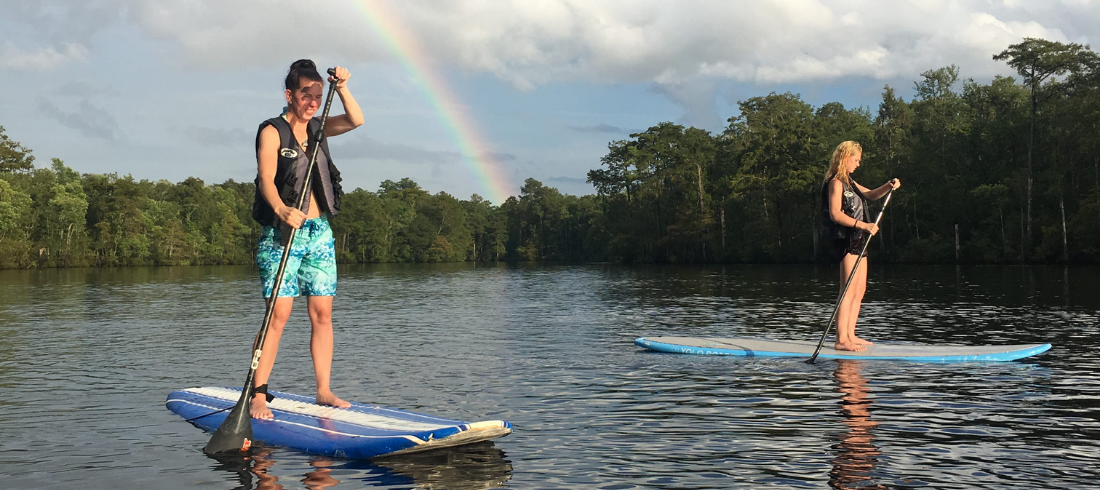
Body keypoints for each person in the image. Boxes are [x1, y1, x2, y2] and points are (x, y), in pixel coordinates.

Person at [249, 59, 363, 419]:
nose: (313, 102)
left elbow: (356, 120)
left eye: (317, 95)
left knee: (322, 313)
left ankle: (324, 391)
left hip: (318, 233)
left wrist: (341, 88)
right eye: (305, 95)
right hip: (282, 233)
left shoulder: (319, 128)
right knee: (279, 314)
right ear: (289, 95)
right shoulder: (272, 131)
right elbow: (266, 178)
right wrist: (282, 210)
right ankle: (258, 393)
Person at [821, 141, 900, 352]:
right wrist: (863, 224)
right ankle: (840, 339)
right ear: (845, 157)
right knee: (847, 289)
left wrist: (888, 185)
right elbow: (835, 214)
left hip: (859, 240)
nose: (858, 164)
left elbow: (871, 195)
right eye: (855, 160)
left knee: (860, 289)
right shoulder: (836, 183)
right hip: (845, 239)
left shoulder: (852, 183)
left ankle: (850, 334)